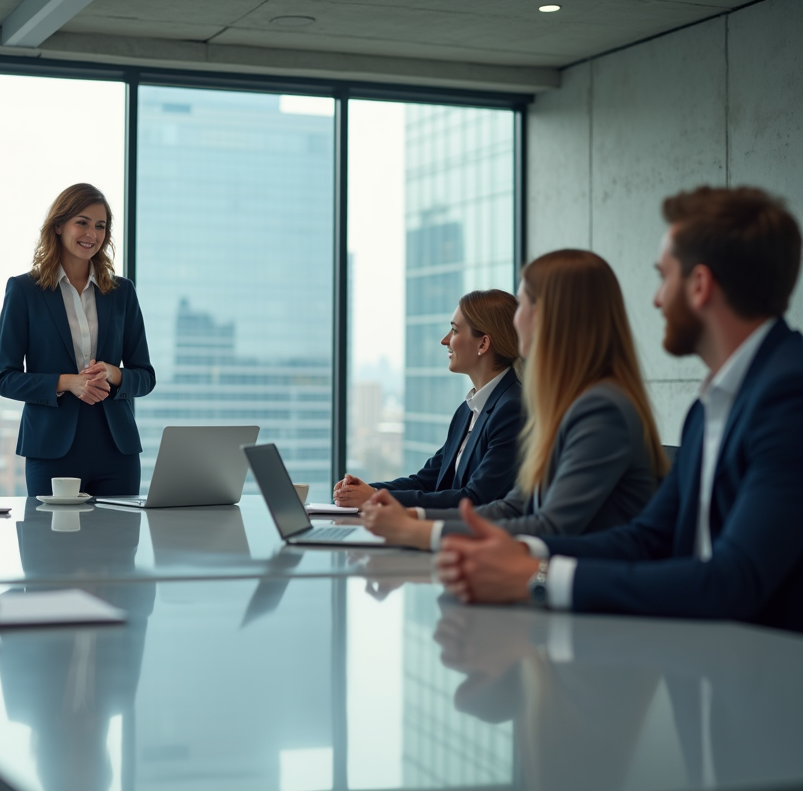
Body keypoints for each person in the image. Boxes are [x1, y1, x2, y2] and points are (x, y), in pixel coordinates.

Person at [436, 186, 803, 634]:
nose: (655, 299)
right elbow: (646, 538)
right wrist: (524, 555)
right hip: (711, 661)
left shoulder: (789, 394)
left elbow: (734, 579)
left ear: (700, 285)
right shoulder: (711, 404)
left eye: (663, 277)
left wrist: (537, 578)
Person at [362, 250, 668, 551]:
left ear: (550, 318)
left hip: (591, 594)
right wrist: (415, 518)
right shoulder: (567, 405)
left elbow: (549, 527)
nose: (513, 319)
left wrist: (419, 532)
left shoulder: (601, 409)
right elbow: (513, 507)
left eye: (521, 305)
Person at [0, 183, 156, 497]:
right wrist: (68, 382)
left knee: (118, 546)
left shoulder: (122, 293)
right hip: (51, 451)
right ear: (58, 225)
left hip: (117, 451)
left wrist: (113, 373)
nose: (91, 234)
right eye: (82, 222)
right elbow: (6, 379)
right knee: (52, 545)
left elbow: (146, 377)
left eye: (100, 226)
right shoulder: (24, 291)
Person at [334, 289, 523, 509]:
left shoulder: (512, 409)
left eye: (454, 331)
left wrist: (373, 497)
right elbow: (427, 481)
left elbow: (475, 499)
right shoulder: (468, 411)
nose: (445, 341)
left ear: (483, 344)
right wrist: (364, 490)